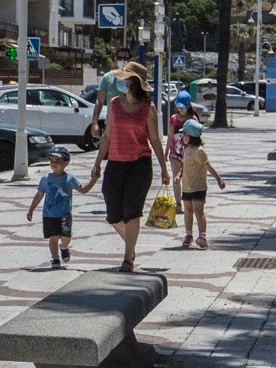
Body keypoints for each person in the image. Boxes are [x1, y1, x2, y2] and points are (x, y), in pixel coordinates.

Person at [89, 59, 168, 272]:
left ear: (134, 82)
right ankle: (131, 246)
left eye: (125, 78)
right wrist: (97, 163)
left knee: (132, 211)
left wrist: (164, 167)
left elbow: (154, 140)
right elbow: (107, 137)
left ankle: (127, 259)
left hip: (139, 165)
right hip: (115, 163)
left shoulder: (148, 109)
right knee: (114, 214)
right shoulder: (115, 104)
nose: (121, 81)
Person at [26, 145, 95, 269]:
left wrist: (93, 180)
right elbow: (39, 194)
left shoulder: (70, 178)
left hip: (65, 214)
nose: (54, 164)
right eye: (52, 161)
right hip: (49, 215)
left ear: (66, 163)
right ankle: (55, 258)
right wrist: (31, 209)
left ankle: (64, 247)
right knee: (53, 238)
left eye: (58, 161)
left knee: (66, 237)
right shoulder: (45, 179)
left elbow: (83, 190)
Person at [172, 118, 226, 249]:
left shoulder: (199, 151)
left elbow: (208, 166)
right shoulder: (186, 150)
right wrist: (179, 176)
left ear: (191, 137)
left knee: (198, 210)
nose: (182, 137)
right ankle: (188, 235)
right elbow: (183, 166)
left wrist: (219, 179)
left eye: (184, 134)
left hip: (198, 187)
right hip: (186, 187)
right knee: (188, 211)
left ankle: (202, 236)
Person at [89, 49, 132, 142]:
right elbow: (99, 101)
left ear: (131, 60)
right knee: (111, 155)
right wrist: (94, 122)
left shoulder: (135, 78)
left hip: (131, 124)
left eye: (125, 58)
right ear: (115, 60)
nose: (122, 61)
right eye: (120, 58)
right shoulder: (108, 77)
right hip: (111, 125)